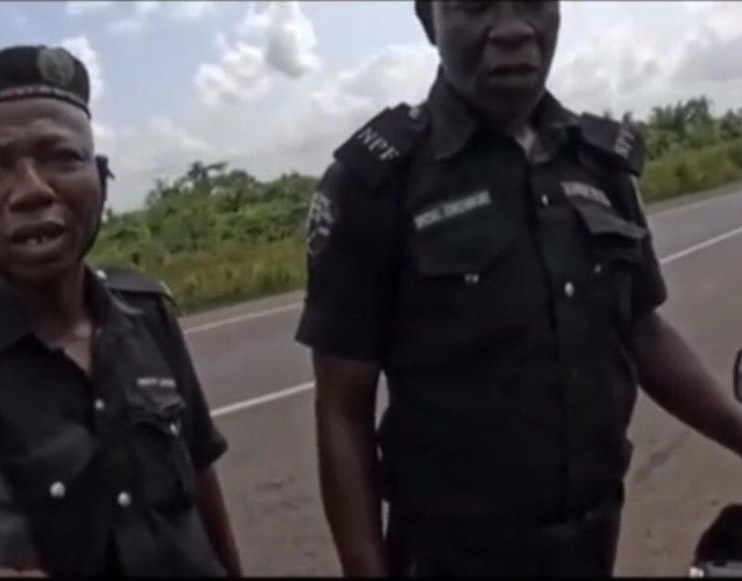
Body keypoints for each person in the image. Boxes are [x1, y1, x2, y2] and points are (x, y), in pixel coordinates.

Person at [296, 1, 742, 576]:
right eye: (476, 5)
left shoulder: (597, 162)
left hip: (592, 537)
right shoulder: (375, 183)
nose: (512, 29)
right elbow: (341, 407)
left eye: (533, 2)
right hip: (451, 556)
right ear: (428, 20)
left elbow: (642, 329)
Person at [0, 44, 241, 578]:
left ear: (103, 178)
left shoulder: (148, 310)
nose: (31, 191)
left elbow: (200, 482)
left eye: (61, 157)